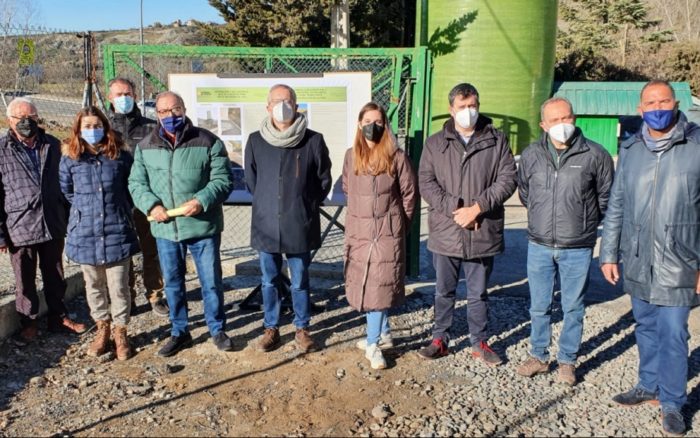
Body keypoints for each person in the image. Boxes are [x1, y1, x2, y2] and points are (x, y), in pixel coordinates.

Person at [600, 80, 700, 436]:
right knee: (644, 325)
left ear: (676, 104)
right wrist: (608, 253)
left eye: (664, 101)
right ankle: (648, 385)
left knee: (673, 331)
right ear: (640, 109)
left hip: (681, 258)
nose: (658, 108)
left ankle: (672, 402)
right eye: (650, 103)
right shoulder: (631, 149)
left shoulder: (695, 147)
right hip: (639, 255)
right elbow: (617, 204)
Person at [515, 97, 614, 385]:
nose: (562, 125)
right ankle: (538, 355)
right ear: (543, 125)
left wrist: (585, 222)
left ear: (575, 118)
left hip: (578, 247)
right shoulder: (532, 155)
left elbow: (606, 198)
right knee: (539, 305)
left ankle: (567, 361)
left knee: (573, 307)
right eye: (555, 120)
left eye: (566, 118)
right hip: (539, 244)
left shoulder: (595, 154)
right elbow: (525, 193)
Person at [128, 91, 234, 357]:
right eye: (163, 111)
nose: (170, 115)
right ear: (157, 114)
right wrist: (152, 205)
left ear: (184, 109)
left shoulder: (207, 141)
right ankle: (179, 331)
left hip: (202, 226)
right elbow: (136, 183)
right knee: (173, 284)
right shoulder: (146, 146)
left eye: (175, 109)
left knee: (211, 282)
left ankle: (217, 329)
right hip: (166, 229)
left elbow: (222, 180)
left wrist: (201, 200)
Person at [417, 83, 516, 365]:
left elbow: (507, 179)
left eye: (472, 106)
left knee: (478, 293)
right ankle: (440, 339)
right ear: (451, 110)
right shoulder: (436, 143)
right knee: (443, 291)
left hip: (481, 230)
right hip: (446, 230)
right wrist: (456, 208)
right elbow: (426, 182)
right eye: (462, 107)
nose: (468, 111)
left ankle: (479, 342)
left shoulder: (496, 140)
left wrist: (477, 208)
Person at [244, 84, 332, 353]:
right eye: (276, 101)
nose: (282, 106)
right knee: (269, 280)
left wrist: (303, 203)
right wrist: (269, 202)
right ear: (267, 106)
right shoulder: (256, 141)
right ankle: (271, 328)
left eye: (288, 101)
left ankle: (302, 328)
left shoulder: (313, 140)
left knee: (300, 280)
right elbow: (252, 182)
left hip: (299, 223)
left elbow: (323, 180)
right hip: (266, 224)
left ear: (296, 106)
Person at [0, 97, 86, 343]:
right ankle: (29, 323)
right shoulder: (2, 150)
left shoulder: (53, 144)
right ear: (10, 120)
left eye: (31, 117)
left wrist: (69, 218)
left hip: (52, 220)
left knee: (55, 274)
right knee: (24, 279)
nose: (26, 122)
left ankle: (59, 317)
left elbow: (67, 182)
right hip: (19, 224)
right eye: (21, 118)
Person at [60, 106, 140, 360]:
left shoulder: (120, 155)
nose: (92, 130)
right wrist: (84, 212)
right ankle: (102, 327)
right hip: (85, 233)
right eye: (87, 126)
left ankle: (121, 331)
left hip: (117, 230)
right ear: (78, 130)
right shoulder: (71, 158)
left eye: (97, 126)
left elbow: (131, 188)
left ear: (105, 127)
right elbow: (67, 191)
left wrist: (121, 210)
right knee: (93, 285)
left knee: (119, 287)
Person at [342, 102, 418, 370]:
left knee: (377, 289)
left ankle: (373, 345)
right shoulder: (351, 156)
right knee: (369, 287)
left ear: (385, 125)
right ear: (359, 124)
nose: (372, 126)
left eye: (378, 122)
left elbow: (409, 194)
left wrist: (398, 226)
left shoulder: (397, 157)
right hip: (359, 233)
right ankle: (383, 333)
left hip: (386, 234)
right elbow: (348, 188)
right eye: (367, 121)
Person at [106, 77, 168, 317]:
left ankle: (155, 295)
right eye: (119, 94)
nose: (124, 98)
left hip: (146, 200)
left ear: (135, 95)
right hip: (116, 202)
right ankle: (126, 297)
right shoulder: (103, 129)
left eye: (128, 94)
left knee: (151, 250)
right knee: (123, 254)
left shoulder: (151, 128)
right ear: (110, 98)